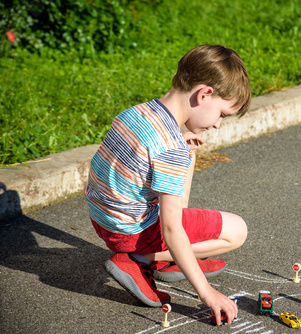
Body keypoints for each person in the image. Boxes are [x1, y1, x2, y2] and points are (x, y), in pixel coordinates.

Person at [85, 44, 251, 325]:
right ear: (204, 94)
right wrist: (207, 293)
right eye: (222, 114)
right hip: (131, 233)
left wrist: (183, 155)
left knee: (180, 183)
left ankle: (161, 256)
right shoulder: (169, 148)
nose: (218, 125)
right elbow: (172, 226)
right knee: (237, 231)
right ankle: (140, 258)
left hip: (105, 219)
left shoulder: (138, 112)